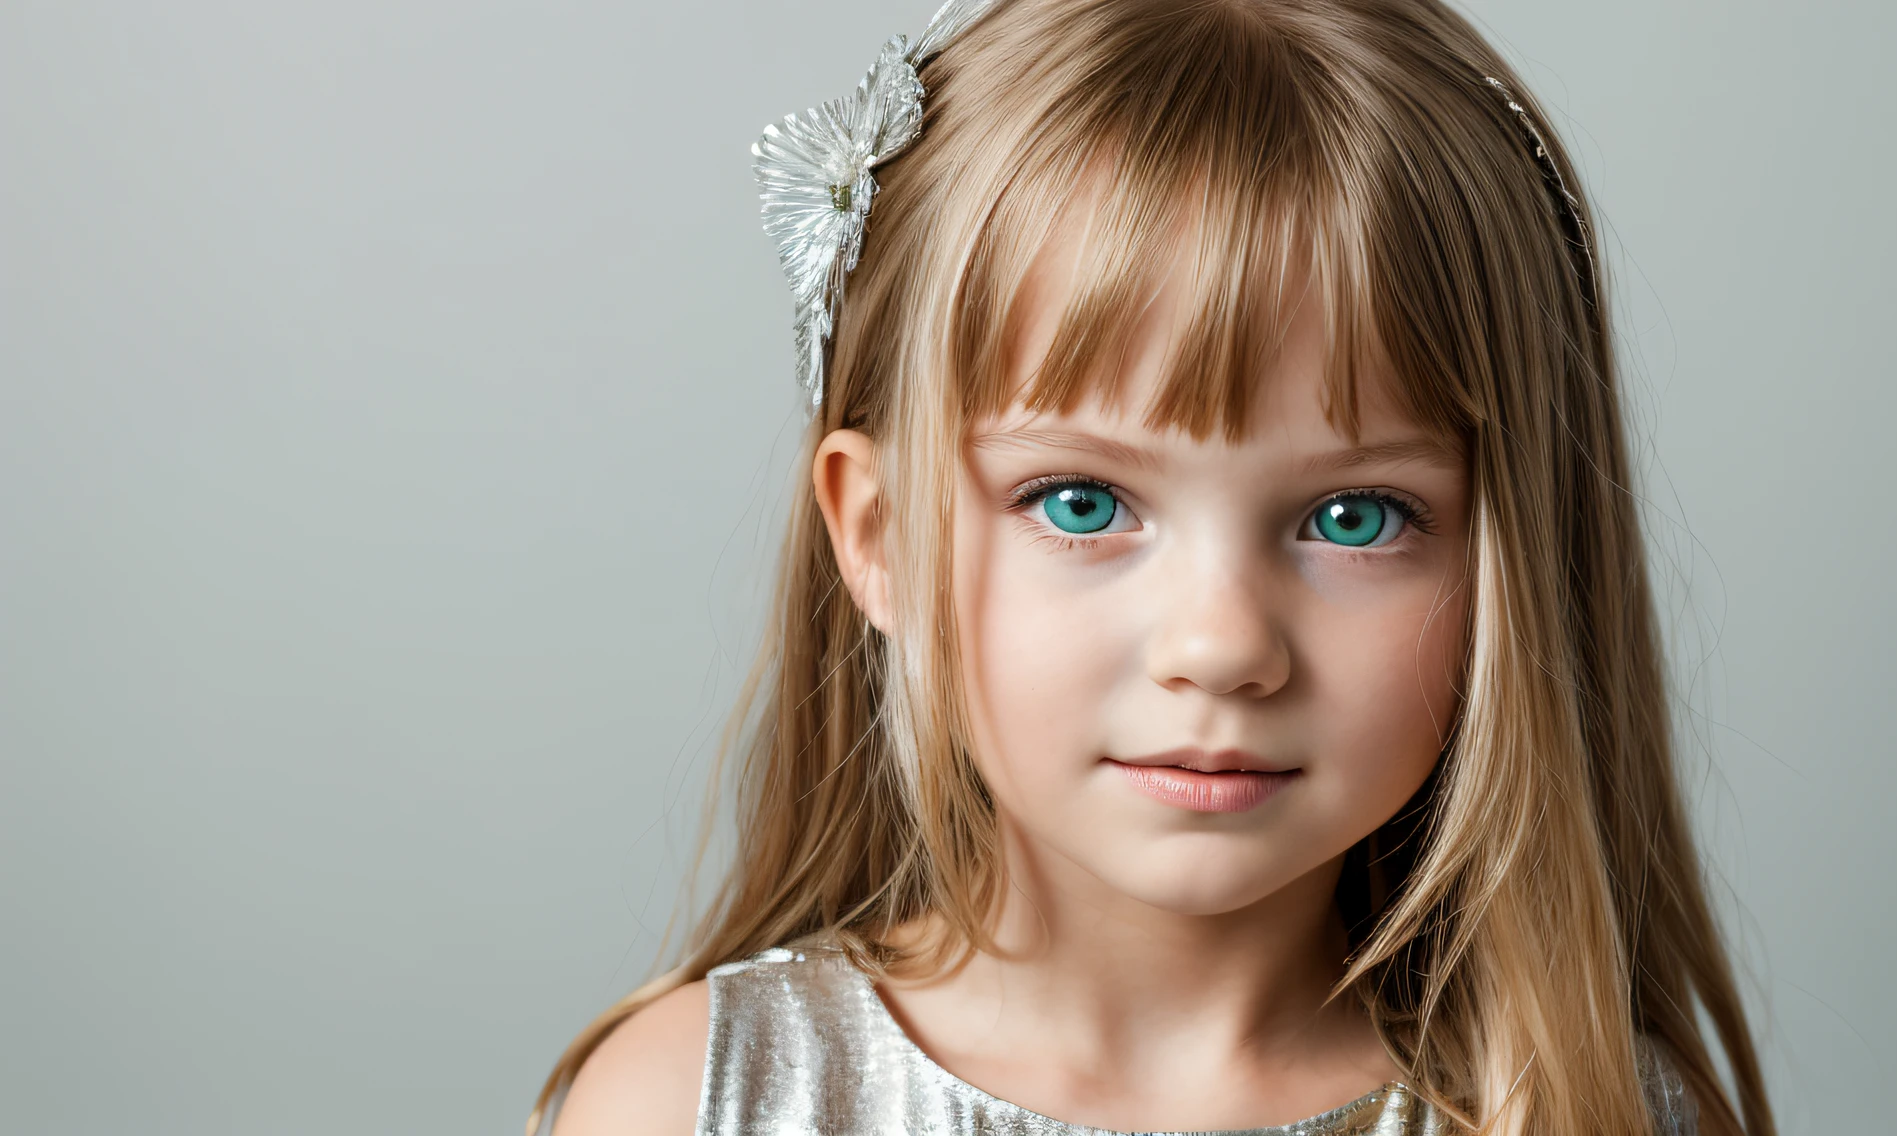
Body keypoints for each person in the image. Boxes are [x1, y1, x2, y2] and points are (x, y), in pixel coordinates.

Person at [534, 0, 1775, 1133]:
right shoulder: (691, 1103)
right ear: (877, 538)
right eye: (1081, 501)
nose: (1221, 643)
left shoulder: (1605, 1113)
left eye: (1354, 516)